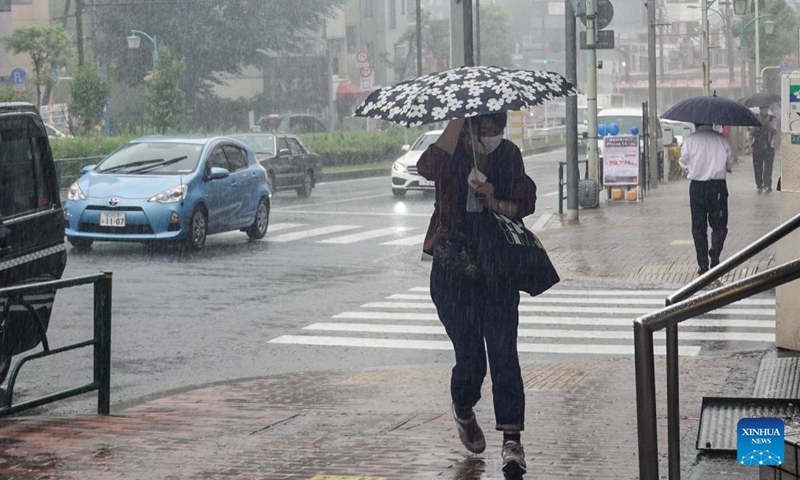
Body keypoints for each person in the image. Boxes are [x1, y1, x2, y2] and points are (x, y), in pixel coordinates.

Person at [417, 113, 537, 476]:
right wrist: (455, 124)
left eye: (498, 129)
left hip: (497, 270)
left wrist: (495, 201)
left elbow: (525, 202)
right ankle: (463, 404)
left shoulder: (508, 155)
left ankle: (512, 440)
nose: (493, 136)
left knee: (504, 353)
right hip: (453, 272)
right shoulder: (450, 153)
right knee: (470, 359)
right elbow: (426, 167)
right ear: (471, 127)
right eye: (486, 130)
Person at [679, 123, 734, 279]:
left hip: (697, 187)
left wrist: (691, 171)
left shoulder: (690, 140)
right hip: (717, 187)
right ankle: (715, 253)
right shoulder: (721, 139)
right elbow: (730, 161)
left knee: (698, 227)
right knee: (720, 225)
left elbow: (683, 162)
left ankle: (703, 265)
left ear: (695, 124)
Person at [749, 106, 777, 193]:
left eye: (766, 109)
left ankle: (767, 185)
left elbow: (775, 131)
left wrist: (767, 125)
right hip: (757, 146)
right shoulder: (754, 118)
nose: (765, 111)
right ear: (760, 109)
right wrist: (757, 126)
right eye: (763, 109)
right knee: (758, 167)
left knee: (768, 167)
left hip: (769, 146)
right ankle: (759, 185)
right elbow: (750, 132)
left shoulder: (772, 118)